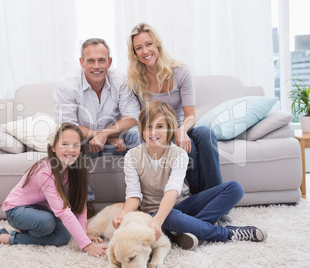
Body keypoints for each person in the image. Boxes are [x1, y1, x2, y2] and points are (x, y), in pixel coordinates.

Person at [112, 100, 267, 251]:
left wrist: (160, 220)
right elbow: (134, 195)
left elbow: (172, 190)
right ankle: (225, 234)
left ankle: (186, 232)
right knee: (171, 216)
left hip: (181, 205)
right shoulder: (132, 156)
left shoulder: (179, 154)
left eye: (159, 126)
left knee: (235, 188)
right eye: (148, 127)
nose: (153, 132)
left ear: (170, 129)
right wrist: (123, 214)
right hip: (153, 213)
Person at [0, 123, 106, 257]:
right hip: (16, 210)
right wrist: (87, 246)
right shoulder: (44, 171)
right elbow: (62, 210)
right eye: (64, 144)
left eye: (76, 145)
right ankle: (0, 237)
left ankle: (23, 231)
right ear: (53, 147)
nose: (71, 149)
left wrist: (84, 233)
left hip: (40, 210)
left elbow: (81, 204)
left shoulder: (75, 168)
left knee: (63, 237)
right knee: (46, 223)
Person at [127, 23, 222, 196]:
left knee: (205, 133)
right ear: (134, 54)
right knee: (189, 147)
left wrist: (181, 131)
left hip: (180, 127)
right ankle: (202, 202)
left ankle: (217, 199)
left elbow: (191, 116)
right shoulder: (135, 81)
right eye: (138, 48)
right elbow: (137, 118)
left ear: (157, 44)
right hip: (159, 133)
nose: (145, 51)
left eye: (148, 44)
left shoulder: (181, 72)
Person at [53, 38, 141, 158]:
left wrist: (105, 134)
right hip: (84, 143)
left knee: (136, 135)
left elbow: (133, 117)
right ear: (82, 62)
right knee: (67, 140)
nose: (96, 66)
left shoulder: (121, 81)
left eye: (101, 60)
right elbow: (67, 125)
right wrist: (103, 136)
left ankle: (147, 176)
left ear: (109, 62)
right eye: (90, 61)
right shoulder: (67, 85)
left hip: (118, 141)